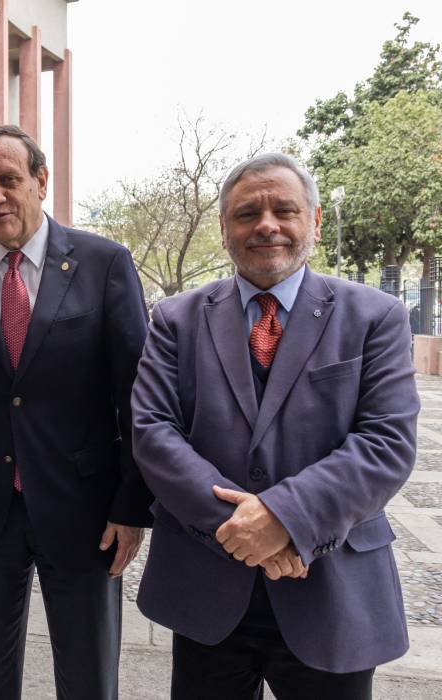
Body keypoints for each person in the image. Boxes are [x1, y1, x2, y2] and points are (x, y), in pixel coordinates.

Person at [132, 153, 418, 699]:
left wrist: (285, 518)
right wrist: (247, 532)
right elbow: (154, 433)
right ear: (224, 230)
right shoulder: (174, 320)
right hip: (206, 592)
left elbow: (386, 443)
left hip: (333, 592)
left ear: (312, 220)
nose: (266, 224)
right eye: (247, 214)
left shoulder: (376, 317)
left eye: (284, 210)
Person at [0, 125, 152, 700]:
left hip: (85, 507)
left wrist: (133, 504)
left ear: (41, 181)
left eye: (9, 180)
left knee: (87, 673)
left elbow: (138, 394)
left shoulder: (104, 263)